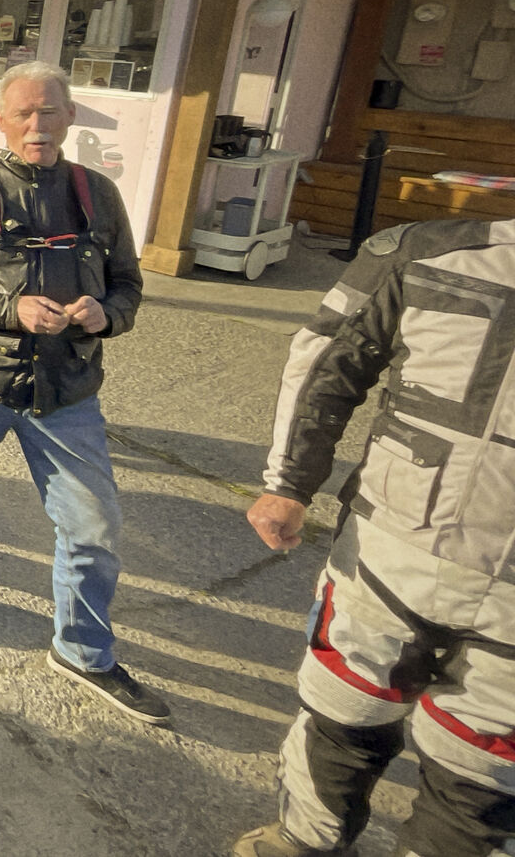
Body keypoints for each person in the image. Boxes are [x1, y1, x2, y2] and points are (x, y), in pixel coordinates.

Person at [233, 219, 515, 857]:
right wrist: (288, 483)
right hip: (390, 551)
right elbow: (328, 358)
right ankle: (305, 840)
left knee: (481, 778)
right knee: (343, 713)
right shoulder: (427, 250)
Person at [0, 60, 166, 724]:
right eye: (22, 112)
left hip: (67, 387)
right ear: (1, 120)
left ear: (71, 116)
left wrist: (112, 313)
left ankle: (81, 649)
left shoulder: (98, 194)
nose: (36, 125)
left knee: (94, 525)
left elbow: (129, 284)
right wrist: (10, 309)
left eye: (49, 111)